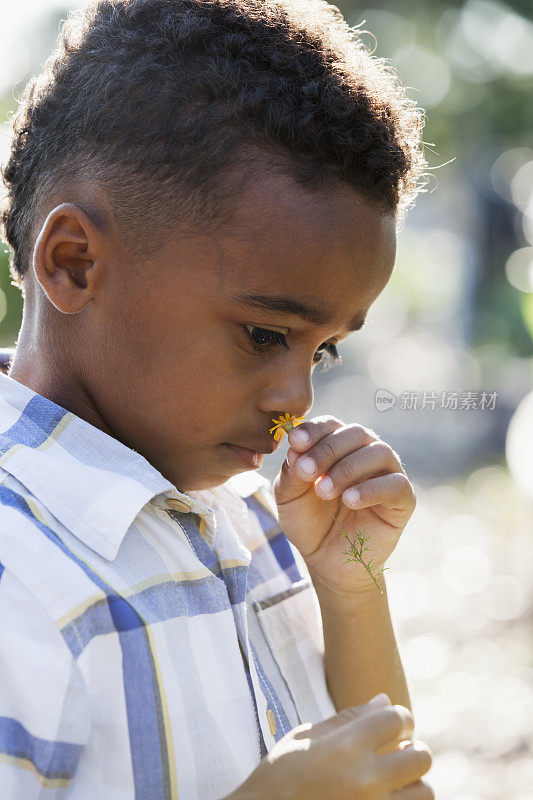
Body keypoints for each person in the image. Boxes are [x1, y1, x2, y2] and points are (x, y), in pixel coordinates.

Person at [0, 0, 434, 797]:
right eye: (266, 335)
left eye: (325, 348)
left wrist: (351, 586)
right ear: (71, 264)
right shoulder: (16, 578)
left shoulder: (249, 517)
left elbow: (380, 762)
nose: (295, 400)